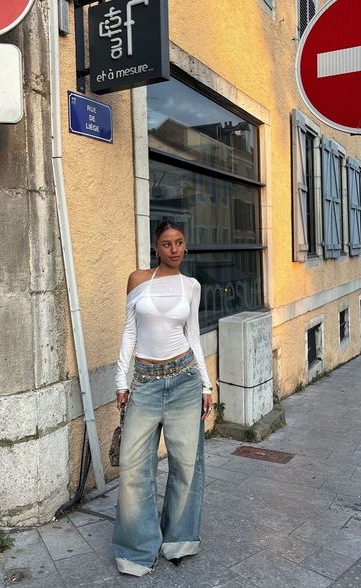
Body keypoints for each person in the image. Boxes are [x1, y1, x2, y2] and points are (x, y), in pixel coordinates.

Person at [112, 220, 212, 576]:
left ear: (186, 246)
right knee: (134, 467)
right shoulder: (138, 280)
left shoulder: (191, 286)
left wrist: (206, 385)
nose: (174, 249)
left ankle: (179, 540)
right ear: (157, 247)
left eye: (180, 242)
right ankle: (136, 549)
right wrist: (120, 382)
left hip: (184, 378)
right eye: (167, 243)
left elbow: (194, 336)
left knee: (186, 464)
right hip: (145, 381)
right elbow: (129, 332)